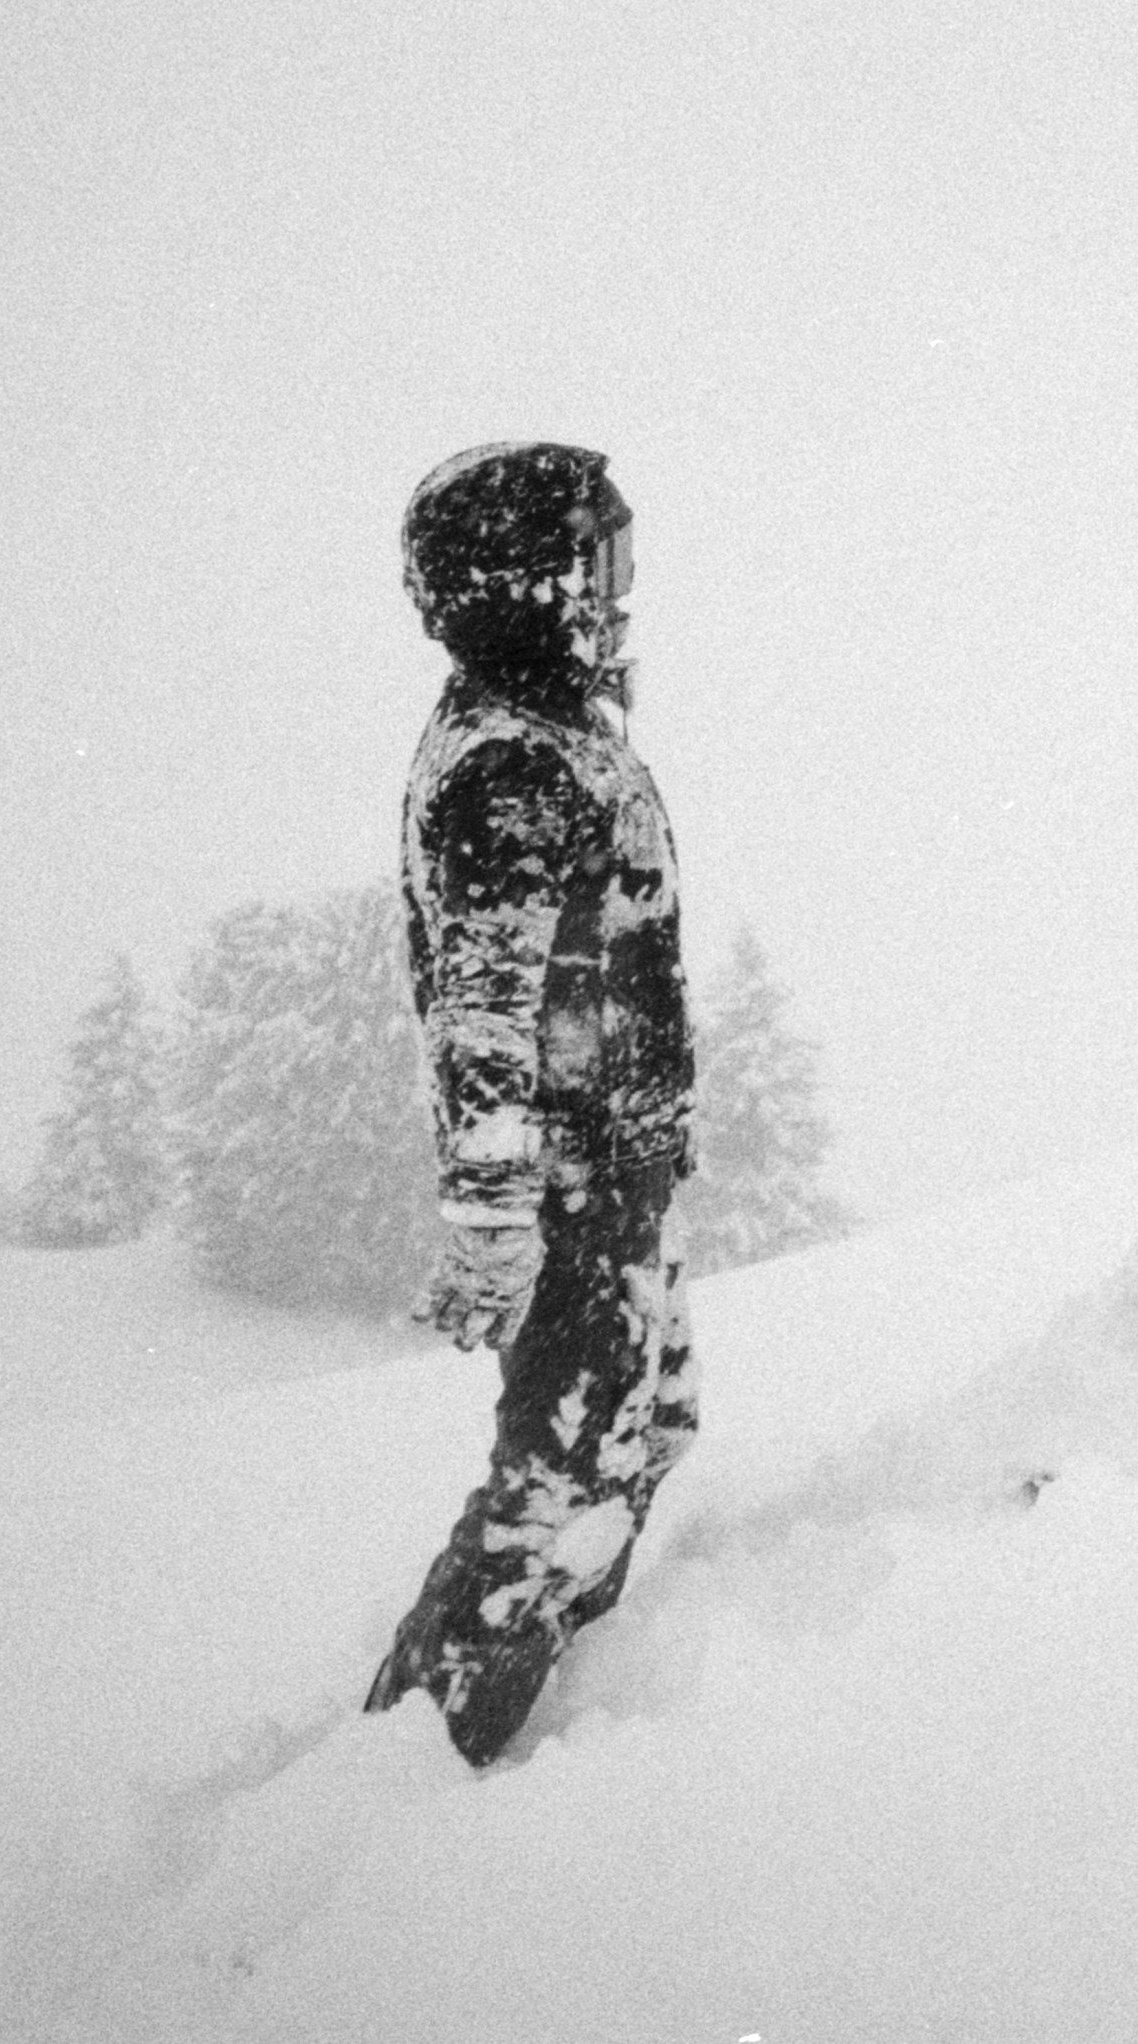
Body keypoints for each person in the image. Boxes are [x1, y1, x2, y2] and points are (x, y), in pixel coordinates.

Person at [363, 439, 702, 1765]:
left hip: (616, 1159)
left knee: (644, 1419)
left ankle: (554, 1673)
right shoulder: (509, 765)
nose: (621, 600)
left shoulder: (554, 740)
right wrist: (496, 1209)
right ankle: (426, 1752)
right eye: (599, 571)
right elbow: (489, 1012)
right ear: (531, 587)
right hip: (562, 1177)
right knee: (558, 1463)